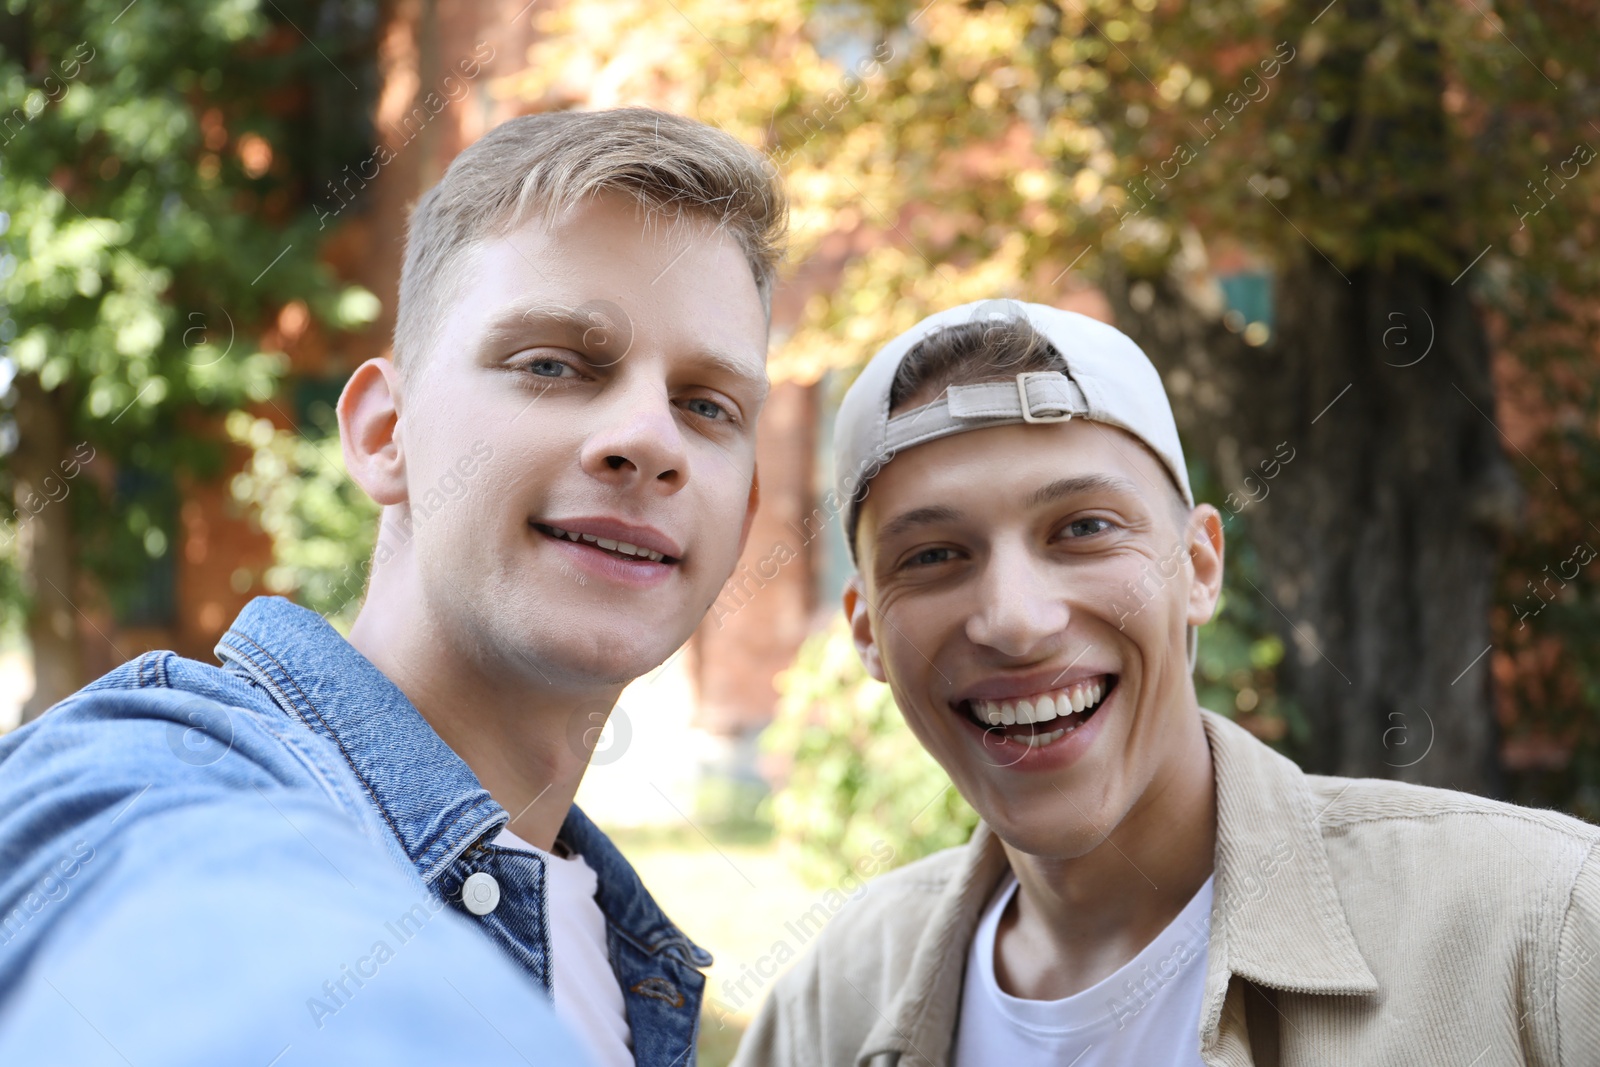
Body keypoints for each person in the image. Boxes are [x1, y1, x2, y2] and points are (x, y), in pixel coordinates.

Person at [0, 107, 786, 1067]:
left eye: (707, 405)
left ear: (743, 516)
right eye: (554, 364)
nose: (652, 440)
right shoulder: (160, 772)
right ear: (385, 434)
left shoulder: (629, 963)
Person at [733, 300, 1600, 1066]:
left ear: (1198, 566)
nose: (1015, 619)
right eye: (933, 556)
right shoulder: (827, 1005)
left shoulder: (1541, 933)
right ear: (866, 631)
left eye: (1082, 528)